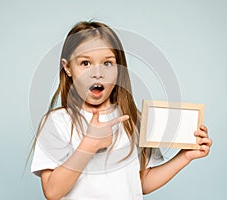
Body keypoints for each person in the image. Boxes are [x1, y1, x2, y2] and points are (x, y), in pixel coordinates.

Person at [30, 21, 212, 200]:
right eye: (85, 63)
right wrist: (89, 144)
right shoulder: (56, 122)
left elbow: (141, 182)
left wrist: (185, 157)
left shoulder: (133, 120)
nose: (97, 73)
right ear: (68, 68)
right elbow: (52, 192)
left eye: (107, 63)